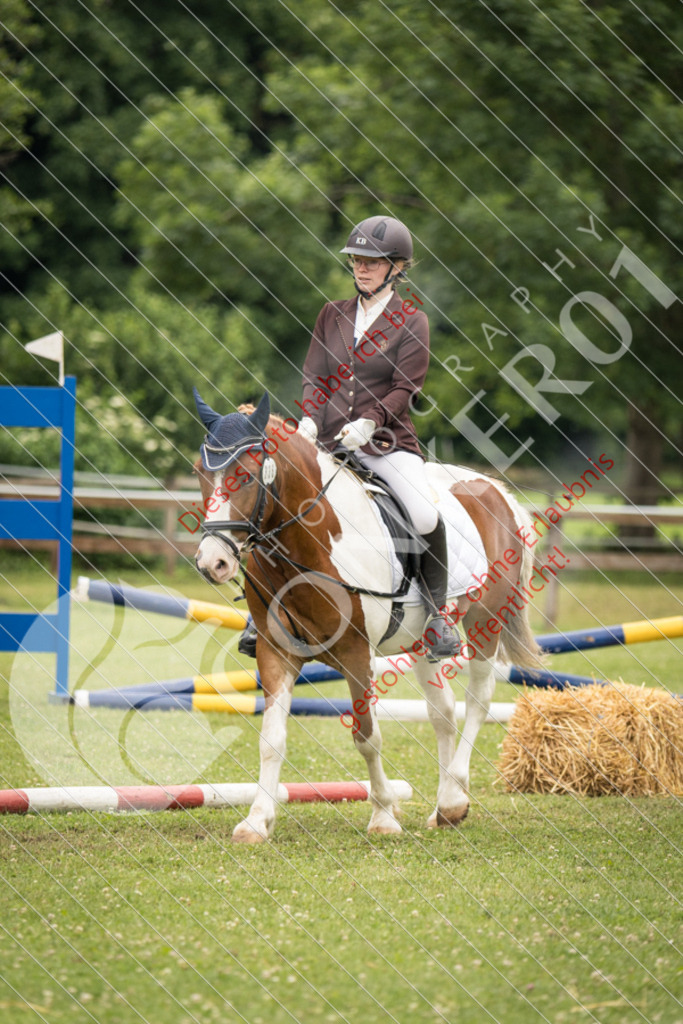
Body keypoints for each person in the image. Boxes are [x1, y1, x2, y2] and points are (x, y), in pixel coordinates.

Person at [296, 215, 460, 661]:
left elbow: (406, 388)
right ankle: (263, 613)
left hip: (387, 444)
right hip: (328, 441)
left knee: (425, 514)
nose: (362, 268)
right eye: (356, 260)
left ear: (397, 267)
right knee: (278, 497)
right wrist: (310, 420)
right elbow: (314, 374)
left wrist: (369, 422)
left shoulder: (413, 321)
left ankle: (437, 616)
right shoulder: (332, 314)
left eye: (373, 261)